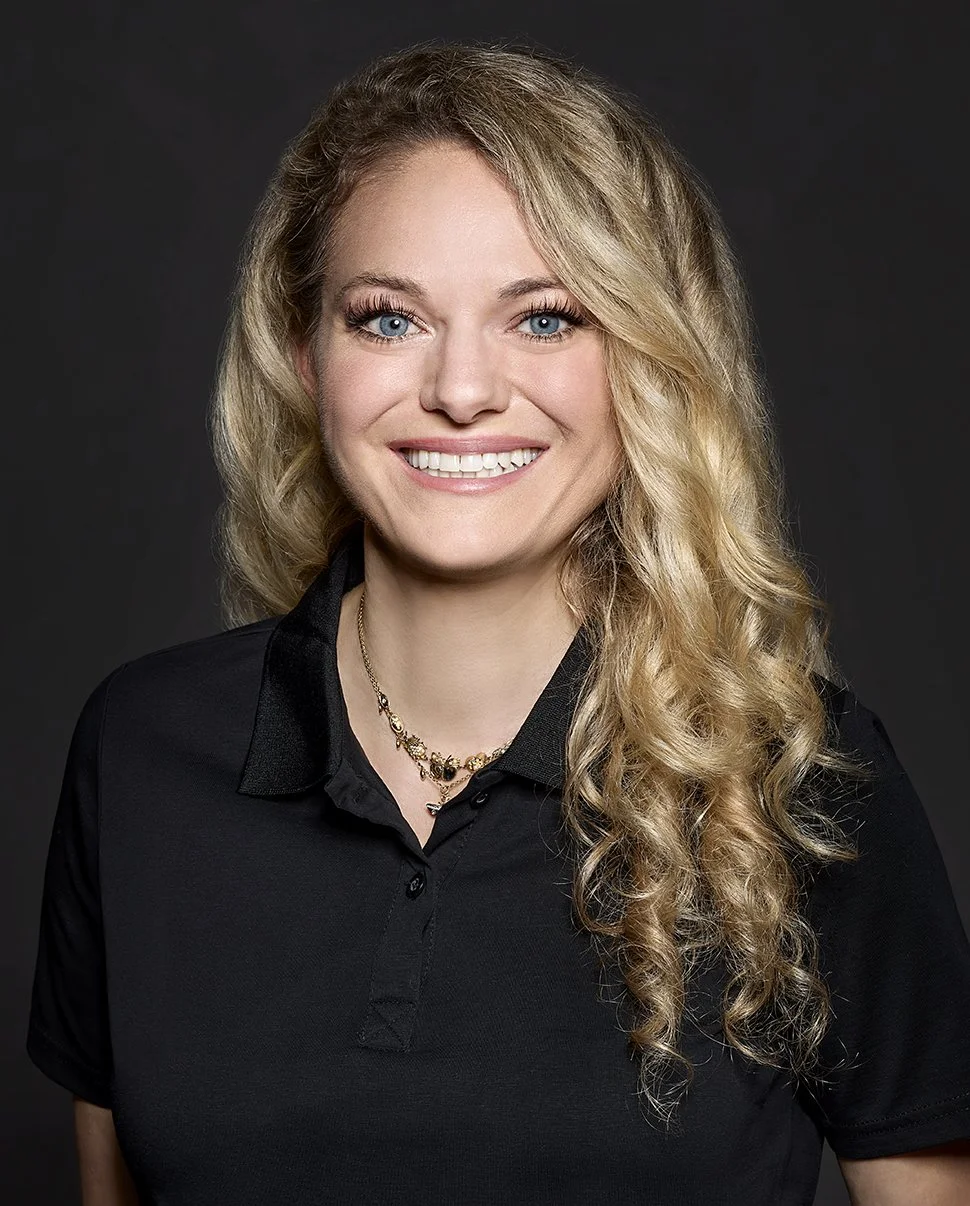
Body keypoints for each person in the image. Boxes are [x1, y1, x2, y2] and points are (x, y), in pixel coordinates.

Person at [26, 38, 970, 1206]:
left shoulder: (798, 781)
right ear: (300, 350)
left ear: (650, 360)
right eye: (386, 319)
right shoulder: (142, 751)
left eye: (545, 319)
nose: (462, 391)